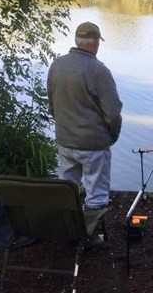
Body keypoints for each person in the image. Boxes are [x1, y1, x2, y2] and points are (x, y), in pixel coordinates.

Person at [47, 21, 123, 217]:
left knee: (66, 188)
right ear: (96, 43)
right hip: (93, 145)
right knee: (96, 194)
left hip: (65, 141)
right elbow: (113, 112)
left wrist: (63, 128)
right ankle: (92, 236)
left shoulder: (57, 65)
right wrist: (111, 137)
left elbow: (52, 103)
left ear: (76, 40)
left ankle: (66, 228)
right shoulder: (99, 71)